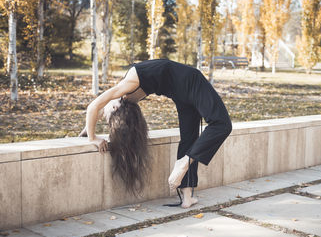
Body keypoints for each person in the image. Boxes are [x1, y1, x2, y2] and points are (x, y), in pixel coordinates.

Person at [81, 59, 232, 208]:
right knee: (193, 137)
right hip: (184, 87)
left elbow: (93, 107)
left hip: (187, 85)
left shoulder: (127, 87)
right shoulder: (125, 97)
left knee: (219, 125)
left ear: (115, 109)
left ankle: (184, 165)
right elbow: (98, 110)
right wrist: (89, 130)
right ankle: (187, 197)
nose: (104, 115)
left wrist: (92, 137)